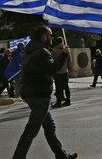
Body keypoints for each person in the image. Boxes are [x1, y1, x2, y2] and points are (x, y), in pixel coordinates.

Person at [12, 26, 77, 159]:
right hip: (39, 95)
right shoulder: (42, 52)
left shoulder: (30, 50)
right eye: (50, 35)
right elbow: (52, 69)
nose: (52, 37)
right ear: (43, 36)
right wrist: (64, 54)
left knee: (50, 127)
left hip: (34, 93)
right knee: (31, 130)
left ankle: (62, 156)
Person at [51, 36, 72, 108]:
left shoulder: (54, 51)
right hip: (65, 71)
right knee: (66, 86)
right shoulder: (66, 50)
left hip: (57, 72)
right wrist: (66, 67)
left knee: (58, 87)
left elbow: (52, 61)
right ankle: (68, 100)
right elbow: (70, 61)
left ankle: (58, 102)